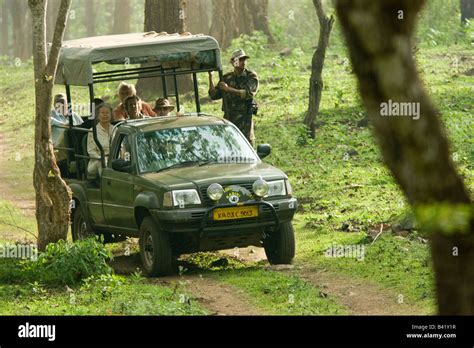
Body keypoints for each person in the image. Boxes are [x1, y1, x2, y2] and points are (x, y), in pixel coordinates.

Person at [208, 49, 259, 145]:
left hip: (245, 119)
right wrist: (210, 77)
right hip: (229, 118)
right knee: (230, 144)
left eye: (244, 59)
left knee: (247, 144)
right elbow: (214, 95)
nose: (243, 62)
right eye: (239, 59)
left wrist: (228, 89)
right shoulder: (226, 78)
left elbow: (248, 93)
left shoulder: (251, 76)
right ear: (233, 62)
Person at [87, 104, 113, 176]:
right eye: (102, 113)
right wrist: (102, 158)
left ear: (111, 115)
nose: (105, 115)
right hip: (97, 161)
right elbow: (91, 151)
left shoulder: (115, 129)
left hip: (113, 159)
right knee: (102, 162)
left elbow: (121, 148)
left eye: (107, 113)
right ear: (98, 116)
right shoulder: (93, 131)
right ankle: (106, 184)